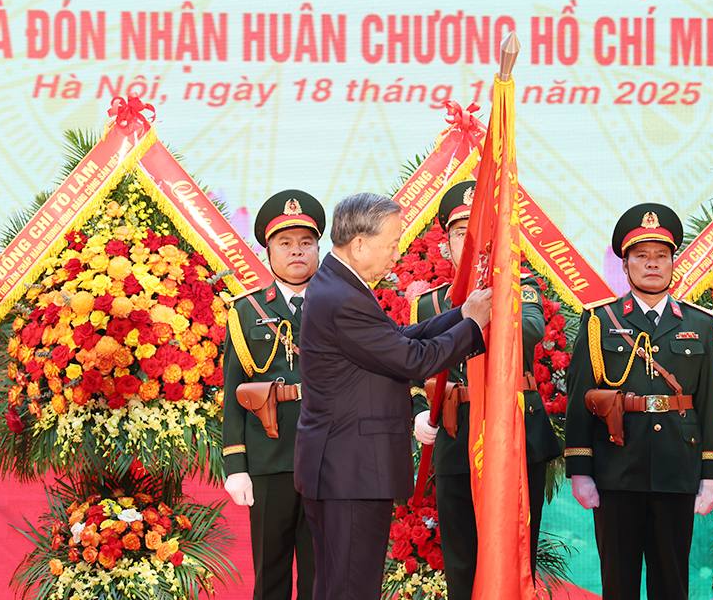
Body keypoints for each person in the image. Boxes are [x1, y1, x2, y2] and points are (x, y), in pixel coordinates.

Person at [294, 192, 491, 600]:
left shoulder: (339, 284)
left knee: (338, 585)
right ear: (360, 243)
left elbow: (394, 338)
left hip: (343, 469)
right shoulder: (342, 297)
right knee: (351, 588)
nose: (397, 255)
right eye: (392, 244)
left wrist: (459, 314)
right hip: (350, 471)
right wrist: (472, 326)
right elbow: (411, 360)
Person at [564, 203, 713, 600]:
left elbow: (709, 403)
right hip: (618, 467)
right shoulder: (600, 320)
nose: (652, 264)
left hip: (677, 467)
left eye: (661, 256)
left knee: (671, 582)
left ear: (673, 262)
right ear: (626, 263)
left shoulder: (698, 323)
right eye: (641, 256)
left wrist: (711, 475)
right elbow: (580, 396)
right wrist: (580, 469)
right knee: (618, 581)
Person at [411, 181, 561, 598]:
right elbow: (408, 368)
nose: (473, 243)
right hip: (456, 438)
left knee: (515, 557)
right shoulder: (430, 303)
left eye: (483, 234)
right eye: (462, 233)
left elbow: (529, 330)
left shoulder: (521, 289)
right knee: (461, 559)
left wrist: (492, 301)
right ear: (447, 244)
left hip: (513, 436)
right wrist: (419, 414)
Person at [221, 190, 325, 600]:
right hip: (269, 457)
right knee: (271, 574)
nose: (296, 252)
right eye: (285, 243)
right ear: (268, 251)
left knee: (322, 573)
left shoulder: (339, 305)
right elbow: (233, 392)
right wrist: (236, 465)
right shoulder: (245, 311)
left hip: (326, 457)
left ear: (319, 248)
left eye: (306, 243)